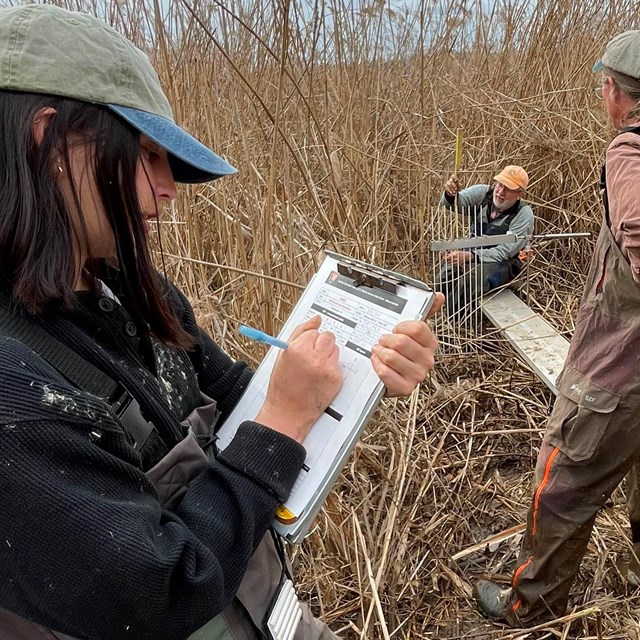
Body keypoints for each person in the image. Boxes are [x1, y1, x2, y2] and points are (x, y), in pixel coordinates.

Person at [0, 5, 443, 640]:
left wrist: (362, 369)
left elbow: (239, 400)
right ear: (49, 141)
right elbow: (159, 589)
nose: (170, 188)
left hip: (264, 609)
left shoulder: (125, 286)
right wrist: (285, 418)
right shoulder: (15, 384)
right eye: (148, 156)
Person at [472, 30, 640, 626]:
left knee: (560, 483)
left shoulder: (628, 153)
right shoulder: (485, 194)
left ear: (616, 93)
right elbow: (466, 198)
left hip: (619, 372)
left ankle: (531, 602)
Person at [437, 166, 534, 316]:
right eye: (500, 185)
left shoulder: (524, 214)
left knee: (469, 281)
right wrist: (451, 194)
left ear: (519, 194)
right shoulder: (482, 193)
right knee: (445, 274)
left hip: (502, 262)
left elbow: (505, 251)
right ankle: (439, 312)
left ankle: (456, 324)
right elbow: (455, 203)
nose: (500, 192)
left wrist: (471, 256)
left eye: (508, 189)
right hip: (472, 253)